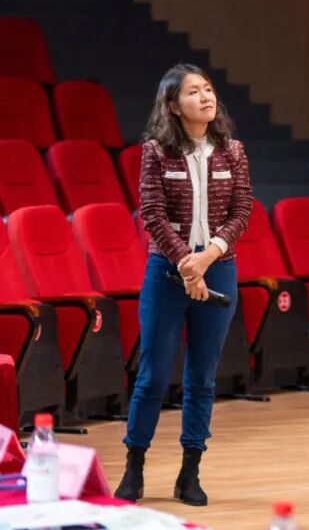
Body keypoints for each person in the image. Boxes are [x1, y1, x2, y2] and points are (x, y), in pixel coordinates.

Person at [114, 63, 252, 506]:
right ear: (173, 105)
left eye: (208, 89)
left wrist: (208, 257)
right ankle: (134, 467)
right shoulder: (156, 152)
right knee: (152, 376)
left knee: (202, 378)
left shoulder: (233, 151)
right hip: (166, 273)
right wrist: (187, 267)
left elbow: (242, 211)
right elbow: (151, 213)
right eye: (193, 92)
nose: (205, 97)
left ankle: (189, 472)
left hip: (219, 267)